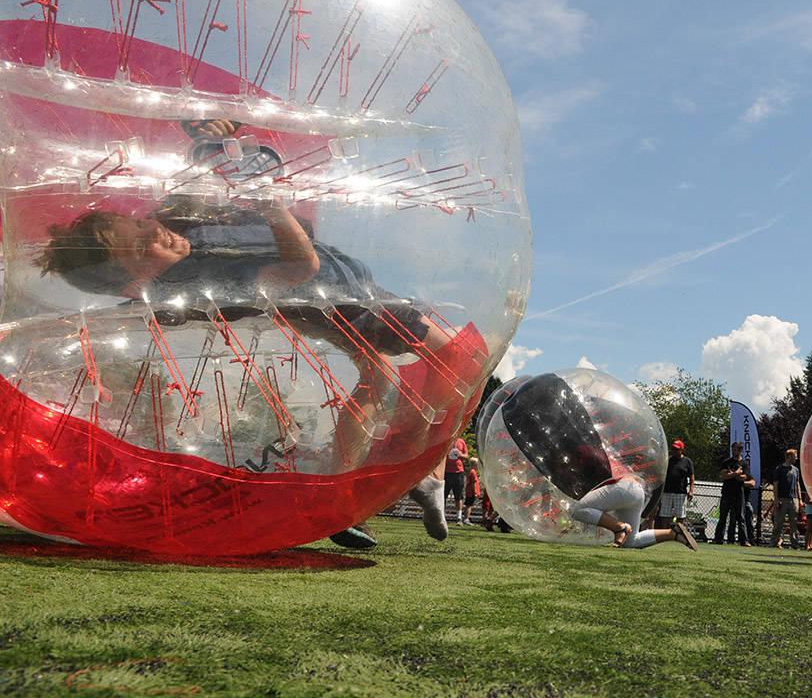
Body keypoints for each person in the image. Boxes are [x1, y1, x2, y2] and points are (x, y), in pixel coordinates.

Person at [35, 120, 484, 548]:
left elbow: (203, 180)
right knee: (461, 361)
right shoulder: (202, 276)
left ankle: (381, 485)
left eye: (137, 224)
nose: (153, 229)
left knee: (379, 378)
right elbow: (299, 268)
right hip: (350, 304)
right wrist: (271, 205)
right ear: (139, 283)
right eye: (140, 245)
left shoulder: (179, 228)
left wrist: (214, 138)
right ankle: (407, 460)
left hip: (346, 288)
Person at [571, 475, 698, 550]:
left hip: (622, 487)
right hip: (637, 490)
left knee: (579, 510)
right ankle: (673, 533)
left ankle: (619, 527)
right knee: (630, 542)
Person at [713, 441, 751, 546]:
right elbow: (724, 475)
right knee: (723, 517)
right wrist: (736, 473)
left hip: (739, 493)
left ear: (740, 450)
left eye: (736, 449)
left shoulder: (744, 463)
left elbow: (745, 477)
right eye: (733, 449)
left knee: (741, 518)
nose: (734, 451)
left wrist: (733, 475)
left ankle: (743, 540)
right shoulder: (727, 462)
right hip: (726, 493)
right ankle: (718, 539)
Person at [656, 439, 695, 529]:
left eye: (676, 449)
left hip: (680, 492)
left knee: (680, 515)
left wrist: (691, 491)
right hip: (667, 491)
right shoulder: (668, 460)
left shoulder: (687, 461)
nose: (674, 451)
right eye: (673, 449)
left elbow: (692, 477)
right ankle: (665, 533)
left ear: (681, 450)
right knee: (665, 515)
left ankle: (678, 533)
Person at [770, 449, 802, 549]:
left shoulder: (796, 470)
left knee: (794, 523)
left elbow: (797, 484)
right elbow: (775, 484)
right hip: (782, 499)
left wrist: (799, 499)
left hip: (794, 500)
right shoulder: (779, 469)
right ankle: (774, 542)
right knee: (778, 523)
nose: (796, 458)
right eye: (795, 456)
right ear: (789, 457)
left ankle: (795, 544)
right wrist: (776, 499)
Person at [443, 436, 469, 526]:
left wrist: (460, 455)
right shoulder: (446, 440)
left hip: (459, 472)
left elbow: (466, 456)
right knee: (443, 496)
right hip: (446, 471)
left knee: (459, 497)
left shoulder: (461, 441)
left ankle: (459, 518)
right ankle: (442, 517)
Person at [463, 456, 481, 526]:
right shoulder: (473, 472)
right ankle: (466, 519)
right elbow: (474, 483)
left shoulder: (470, 471)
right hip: (471, 492)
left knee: (468, 505)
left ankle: (466, 518)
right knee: (469, 506)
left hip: (469, 492)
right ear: (474, 464)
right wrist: (475, 492)